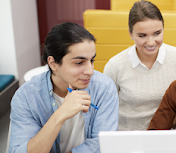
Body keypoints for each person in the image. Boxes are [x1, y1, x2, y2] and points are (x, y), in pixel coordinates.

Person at [8, 22, 119, 153]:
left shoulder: (104, 88)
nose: (90, 71)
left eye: (92, 60)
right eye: (79, 63)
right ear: (53, 63)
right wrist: (60, 115)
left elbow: (102, 145)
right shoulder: (26, 96)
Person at [103, 0, 176, 131]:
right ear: (130, 33)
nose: (151, 42)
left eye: (157, 33)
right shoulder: (115, 65)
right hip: (129, 137)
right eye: (142, 35)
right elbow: (104, 109)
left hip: (167, 137)